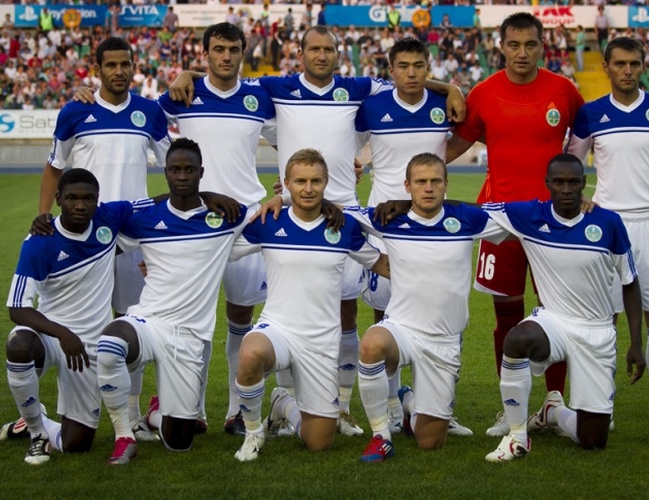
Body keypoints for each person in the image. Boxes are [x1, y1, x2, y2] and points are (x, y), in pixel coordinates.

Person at [169, 25, 465, 437]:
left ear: (338, 53)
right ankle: (276, 403)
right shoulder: (276, 87)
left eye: (329, 49)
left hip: (345, 215)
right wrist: (190, 74)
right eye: (314, 49)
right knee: (289, 311)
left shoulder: (358, 88)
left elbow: (406, 78)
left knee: (347, 313)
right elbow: (227, 75)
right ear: (301, 53)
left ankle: (343, 406)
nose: (321, 55)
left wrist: (450, 87)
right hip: (294, 212)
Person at [445, 12, 585, 438]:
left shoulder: (564, 90)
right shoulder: (484, 93)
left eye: (530, 44)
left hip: (552, 221)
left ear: (543, 46)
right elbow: (453, 146)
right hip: (500, 220)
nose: (522, 53)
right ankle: (512, 409)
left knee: (559, 313)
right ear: (501, 47)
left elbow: (583, 141)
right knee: (506, 315)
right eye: (514, 45)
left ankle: (555, 399)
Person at [566, 36, 649, 439]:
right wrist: (579, 198)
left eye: (634, 64)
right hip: (608, 228)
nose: (627, 70)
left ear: (644, 66)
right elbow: (569, 164)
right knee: (603, 322)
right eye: (620, 63)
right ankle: (602, 409)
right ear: (606, 67)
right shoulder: (590, 114)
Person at [41, 37, 170, 440]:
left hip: (133, 239)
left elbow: (174, 164)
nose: (118, 71)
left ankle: (131, 413)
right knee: (81, 325)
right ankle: (74, 410)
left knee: (131, 324)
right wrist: (43, 216)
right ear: (96, 69)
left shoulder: (149, 112)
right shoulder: (74, 111)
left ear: (134, 66)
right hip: (83, 241)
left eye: (125, 64)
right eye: (110, 65)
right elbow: (54, 167)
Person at [483, 154, 645, 461]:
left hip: (597, 332)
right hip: (554, 322)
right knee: (516, 339)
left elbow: (630, 282)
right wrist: (410, 206)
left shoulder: (608, 222)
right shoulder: (530, 215)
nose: (566, 189)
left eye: (573, 182)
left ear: (584, 183)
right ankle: (517, 436)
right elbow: (471, 213)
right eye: (559, 182)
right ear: (547, 183)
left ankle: (553, 413)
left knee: (593, 440)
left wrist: (636, 342)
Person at [96, 138, 249, 465]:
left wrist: (282, 198)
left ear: (201, 172)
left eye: (189, 170)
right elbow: (96, 230)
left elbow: (275, 219)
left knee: (179, 442)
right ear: (165, 172)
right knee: (110, 343)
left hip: (189, 337)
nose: (182, 176)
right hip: (149, 322)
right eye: (175, 169)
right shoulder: (145, 217)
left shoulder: (226, 216)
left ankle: (157, 413)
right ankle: (124, 435)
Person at [346, 153, 507, 463]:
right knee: (371, 343)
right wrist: (373, 260)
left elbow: (522, 217)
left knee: (430, 442)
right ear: (407, 186)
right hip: (402, 329)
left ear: (446, 184)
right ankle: (381, 436)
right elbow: (335, 214)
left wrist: (579, 204)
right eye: (420, 182)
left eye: (435, 181)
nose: (428, 187)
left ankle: (408, 402)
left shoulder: (467, 219)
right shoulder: (388, 218)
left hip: (443, 342)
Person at [157, 22, 276, 437]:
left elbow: (291, 140)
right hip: (194, 223)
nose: (226, 56)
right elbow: (138, 119)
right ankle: (191, 410)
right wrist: (184, 75)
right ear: (205, 53)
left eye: (233, 49)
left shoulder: (259, 98)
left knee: (241, 317)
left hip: (246, 223)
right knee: (192, 319)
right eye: (219, 49)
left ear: (243, 52)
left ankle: (237, 411)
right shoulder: (182, 95)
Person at [232, 149, 389, 462]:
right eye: (300, 181)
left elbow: (380, 264)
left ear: (326, 183)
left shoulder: (343, 226)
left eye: (315, 181)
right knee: (250, 352)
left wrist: (430, 267)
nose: (308, 188)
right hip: (277, 329)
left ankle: (282, 404)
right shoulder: (268, 222)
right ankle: (253, 433)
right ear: (286, 183)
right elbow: (216, 253)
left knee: (319, 443)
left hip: (321, 341)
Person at [354, 38, 469, 437]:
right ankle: (390, 404)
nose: (411, 73)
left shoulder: (442, 105)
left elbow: (463, 135)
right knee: (384, 314)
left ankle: (433, 403)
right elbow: (347, 147)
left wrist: (451, 89)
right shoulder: (372, 107)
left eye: (418, 65)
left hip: (434, 224)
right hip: (385, 224)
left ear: (427, 67)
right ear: (391, 70)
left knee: (439, 310)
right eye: (402, 66)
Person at [2, 170, 138, 465]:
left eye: (88, 199)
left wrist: (207, 196)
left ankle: (33, 418)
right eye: (72, 198)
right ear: (58, 199)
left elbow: (164, 205)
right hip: (50, 336)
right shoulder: (39, 241)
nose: (80, 205)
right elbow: (17, 308)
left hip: (89, 345)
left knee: (76, 444)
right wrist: (63, 333)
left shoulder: (109, 219)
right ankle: (37, 433)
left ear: (97, 201)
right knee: (19, 344)